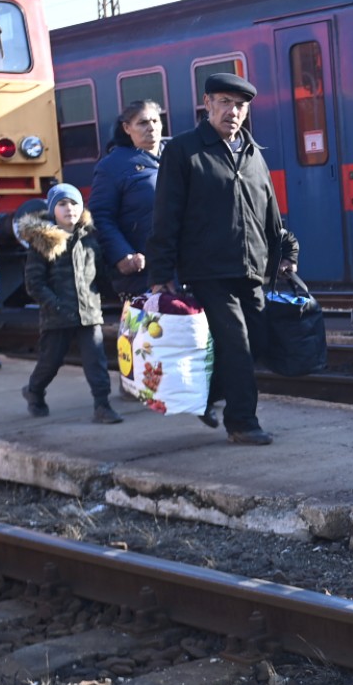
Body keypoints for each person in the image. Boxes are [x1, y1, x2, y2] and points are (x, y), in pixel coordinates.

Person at [148, 73, 301, 446]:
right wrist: (161, 271)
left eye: (241, 105)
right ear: (208, 104)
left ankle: (206, 396)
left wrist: (286, 253)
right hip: (208, 269)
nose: (233, 112)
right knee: (236, 344)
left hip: (251, 268)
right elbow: (166, 213)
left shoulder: (251, 152)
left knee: (258, 341)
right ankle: (242, 422)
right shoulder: (185, 151)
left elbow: (270, 212)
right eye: (225, 103)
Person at [16, 184, 121, 424]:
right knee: (50, 362)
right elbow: (34, 283)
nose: (69, 209)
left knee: (96, 361)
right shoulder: (43, 242)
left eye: (74, 203)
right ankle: (34, 390)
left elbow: (101, 276)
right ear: (53, 210)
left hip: (88, 313)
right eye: (62, 204)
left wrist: (115, 294)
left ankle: (102, 405)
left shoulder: (89, 240)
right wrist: (55, 305)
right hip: (58, 316)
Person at [89, 99, 165, 297]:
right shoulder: (112, 166)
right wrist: (122, 255)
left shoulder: (175, 155)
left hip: (182, 265)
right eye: (143, 123)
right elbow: (101, 216)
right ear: (126, 128)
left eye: (156, 121)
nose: (151, 128)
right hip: (141, 271)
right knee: (152, 328)